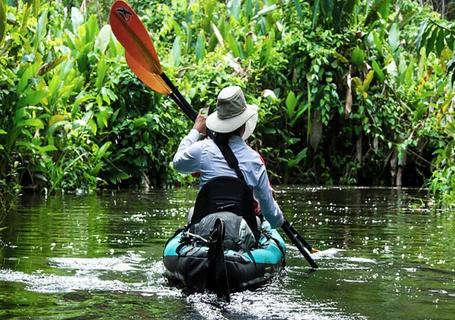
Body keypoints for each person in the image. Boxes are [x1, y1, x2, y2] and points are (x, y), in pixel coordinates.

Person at [172, 86, 284, 229]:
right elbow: (272, 218)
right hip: (242, 235)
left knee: (192, 213)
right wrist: (276, 213)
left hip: (206, 231)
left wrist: (195, 130)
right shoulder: (254, 160)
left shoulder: (202, 150)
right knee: (260, 222)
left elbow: (177, 163)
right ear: (243, 124)